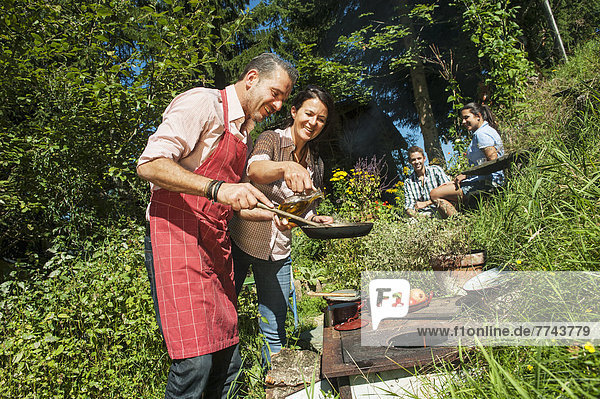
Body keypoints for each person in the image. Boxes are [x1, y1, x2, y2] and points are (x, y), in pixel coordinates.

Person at [136, 53, 298, 398]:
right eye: (275, 92)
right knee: (195, 363)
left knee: (228, 359)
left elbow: (235, 204)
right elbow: (150, 165)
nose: (279, 104)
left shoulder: (243, 135)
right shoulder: (203, 104)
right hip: (176, 238)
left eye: (284, 97)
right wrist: (218, 188)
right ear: (251, 78)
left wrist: (275, 214)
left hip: (215, 246)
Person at [228, 85, 335, 367]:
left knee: (274, 326)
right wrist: (287, 167)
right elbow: (255, 170)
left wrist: (314, 220)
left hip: (279, 251)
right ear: (294, 111)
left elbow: (304, 208)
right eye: (309, 113)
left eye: (321, 119)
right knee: (223, 318)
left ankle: (273, 383)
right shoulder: (271, 140)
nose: (313, 123)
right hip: (243, 239)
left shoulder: (315, 162)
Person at [430, 102, 504, 218]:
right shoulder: (484, 131)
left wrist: (466, 175)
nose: (463, 122)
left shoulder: (482, 134)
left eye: (466, 117)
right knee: (444, 189)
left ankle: (458, 223)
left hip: (488, 182)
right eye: (462, 119)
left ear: (478, 116)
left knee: (435, 194)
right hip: (482, 179)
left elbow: (493, 161)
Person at [403, 146, 450, 218]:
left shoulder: (435, 170)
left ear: (424, 158)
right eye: (413, 160)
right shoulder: (408, 182)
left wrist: (426, 203)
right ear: (410, 162)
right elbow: (408, 206)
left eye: (419, 158)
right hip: (421, 215)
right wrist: (418, 216)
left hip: (441, 210)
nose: (417, 162)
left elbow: (448, 192)